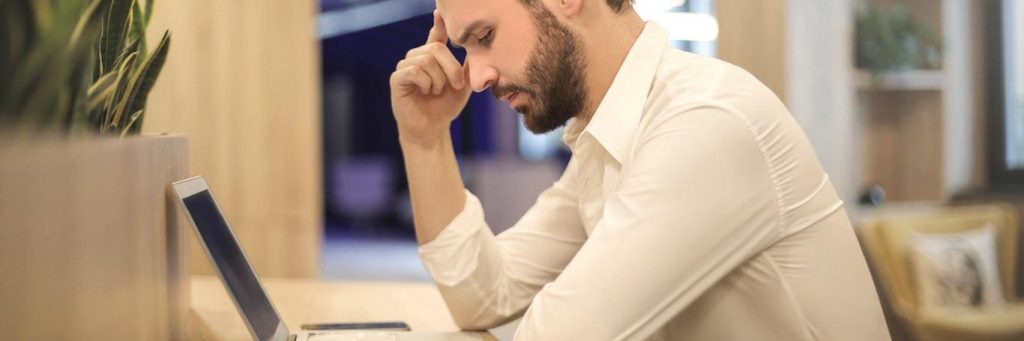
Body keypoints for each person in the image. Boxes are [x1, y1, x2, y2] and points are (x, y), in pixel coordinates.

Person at [388, 0, 891, 339]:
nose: (475, 77)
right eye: (465, 50)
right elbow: (485, 296)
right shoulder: (606, 138)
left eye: (485, 36)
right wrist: (426, 138)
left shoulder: (705, 123)